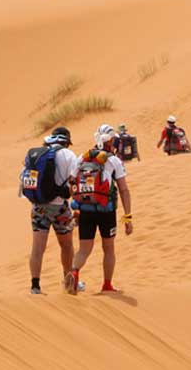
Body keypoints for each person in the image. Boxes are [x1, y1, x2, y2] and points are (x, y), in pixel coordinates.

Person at [65, 124, 132, 295]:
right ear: (110, 141)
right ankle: (107, 285)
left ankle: (74, 272)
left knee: (84, 249)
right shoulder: (113, 160)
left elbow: (71, 183)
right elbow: (123, 190)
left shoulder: (82, 158)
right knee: (108, 248)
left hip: (86, 209)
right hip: (106, 211)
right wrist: (128, 217)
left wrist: (77, 204)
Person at [22, 127, 79, 295]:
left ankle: (35, 286)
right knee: (66, 245)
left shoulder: (37, 154)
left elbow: (25, 180)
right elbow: (73, 183)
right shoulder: (69, 155)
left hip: (38, 206)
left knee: (37, 248)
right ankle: (68, 282)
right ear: (66, 141)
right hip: (60, 207)